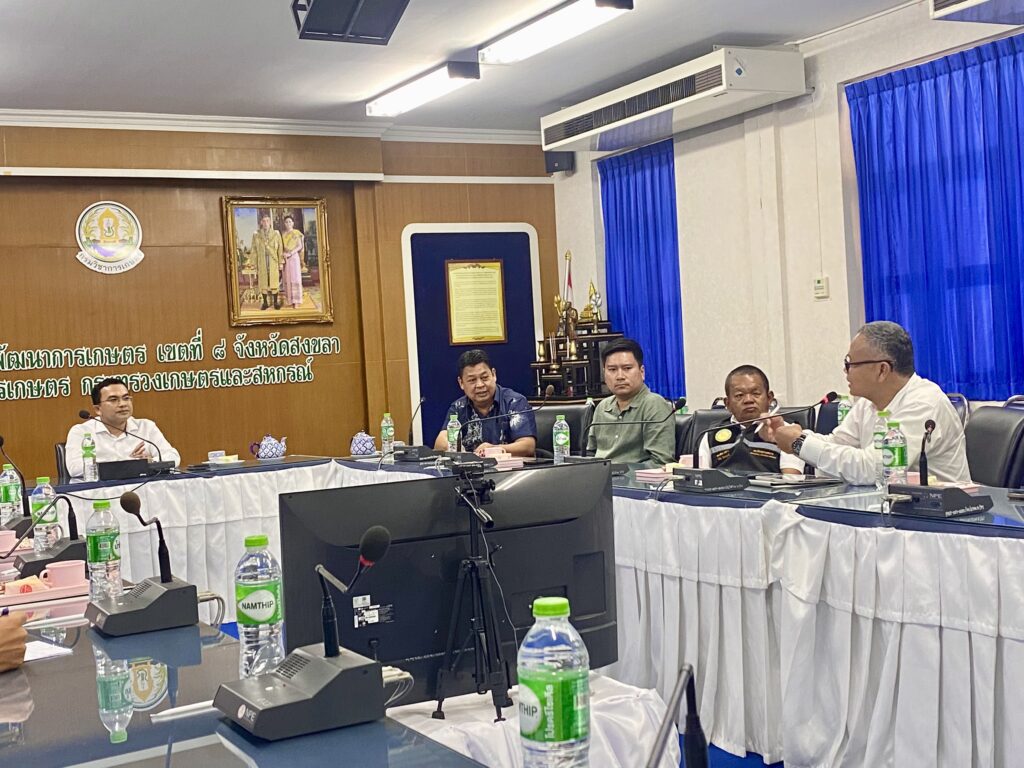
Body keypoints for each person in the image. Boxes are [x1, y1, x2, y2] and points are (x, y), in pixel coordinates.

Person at [766, 321, 971, 484]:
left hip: (939, 517)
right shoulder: (868, 403)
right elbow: (836, 444)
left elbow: (875, 469)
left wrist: (799, 443)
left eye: (850, 364)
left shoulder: (924, 403)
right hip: (887, 507)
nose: (845, 371)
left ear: (882, 370)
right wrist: (788, 434)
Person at [697, 365, 804, 474]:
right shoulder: (711, 434)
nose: (748, 400)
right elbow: (701, 477)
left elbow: (791, 479)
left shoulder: (786, 432)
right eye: (739, 395)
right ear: (727, 403)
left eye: (756, 393)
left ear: (769, 398)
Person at [65, 378, 181, 478]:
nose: (122, 404)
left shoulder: (146, 427)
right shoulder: (81, 432)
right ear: (98, 409)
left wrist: (150, 462)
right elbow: (75, 468)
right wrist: (131, 464)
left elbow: (173, 457)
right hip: (99, 492)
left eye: (126, 398)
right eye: (113, 400)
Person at [586, 338, 675, 467]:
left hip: (633, 478)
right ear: (604, 374)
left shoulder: (654, 404)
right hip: (599, 476)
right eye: (612, 370)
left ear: (642, 372)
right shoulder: (602, 407)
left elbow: (660, 462)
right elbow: (590, 453)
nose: (620, 376)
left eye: (627, 368)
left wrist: (616, 472)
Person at [434, 349, 537, 457]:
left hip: (509, 467)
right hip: (471, 466)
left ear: (493, 375)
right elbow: (440, 442)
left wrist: (495, 449)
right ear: (461, 383)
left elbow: (528, 446)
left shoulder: (514, 402)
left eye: (484, 378)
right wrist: (459, 451)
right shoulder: (458, 407)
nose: (480, 385)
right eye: (472, 380)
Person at [250, 214, 283, 310]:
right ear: (261, 222)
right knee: (263, 282)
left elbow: (280, 249)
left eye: (267, 221)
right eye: (264, 221)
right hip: (262, 261)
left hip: (273, 261)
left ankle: (275, 302)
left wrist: (280, 262)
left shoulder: (276, 234)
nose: (265, 223)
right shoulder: (256, 235)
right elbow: (254, 250)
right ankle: (265, 302)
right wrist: (254, 264)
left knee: (274, 281)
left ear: (270, 222)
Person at [280, 215, 304, 309]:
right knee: (287, 278)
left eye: (290, 221)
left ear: (293, 223)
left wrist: (291, 253)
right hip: (286, 258)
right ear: (284, 224)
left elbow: (299, 246)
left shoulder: (296, 233)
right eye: (286, 222)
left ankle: (296, 301)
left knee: (295, 278)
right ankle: (289, 300)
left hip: (294, 257)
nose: (288, 223)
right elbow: (281, 247)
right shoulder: (283, 234)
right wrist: (284, 254)